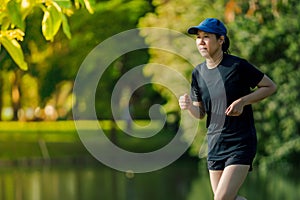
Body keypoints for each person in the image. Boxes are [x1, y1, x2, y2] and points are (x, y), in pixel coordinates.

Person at [178, 18, 276, 200]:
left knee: (221, 199)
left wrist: (243, 101)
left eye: (206, 37)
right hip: (215, 144)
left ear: (221, 40)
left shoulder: (237, 66)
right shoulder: (198, 73)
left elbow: (270, 86)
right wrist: (189, 106)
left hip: (240, 142)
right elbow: (200, 114)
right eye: (198, 37)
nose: (200, 41)